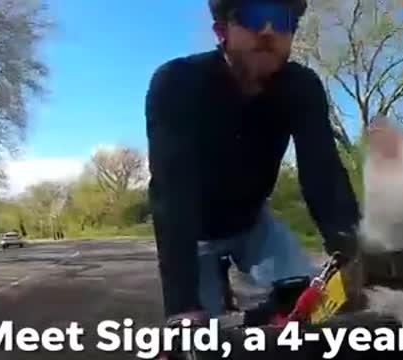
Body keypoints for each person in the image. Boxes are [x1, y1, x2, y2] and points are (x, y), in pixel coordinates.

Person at [144, 0, 361, 328]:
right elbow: (171, 192)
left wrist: (354, 251)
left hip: (253, 222)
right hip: (194, 232)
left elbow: (323, 173)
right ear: (221, 32)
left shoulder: (301, 88)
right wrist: (182, 303)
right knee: (197, 336)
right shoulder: (177, 83)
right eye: (253, 16)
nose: (268, 30)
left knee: (316, 304)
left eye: (282, 20)